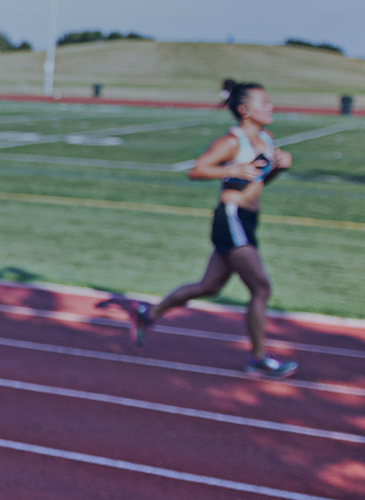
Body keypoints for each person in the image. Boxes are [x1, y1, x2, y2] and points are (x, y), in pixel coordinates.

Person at [121, 79, 298, 378]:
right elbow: (196, 169)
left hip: (248, 220)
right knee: (261, 288)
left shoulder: (266, 139)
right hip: (231, 219)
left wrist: (279, 169)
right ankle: (257, 358)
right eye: (263, 102)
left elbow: (257, 183)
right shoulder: (232, 142)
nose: (271, 107)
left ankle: (148, 313)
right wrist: (232, 169)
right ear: (244, 110)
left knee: (209, 286)